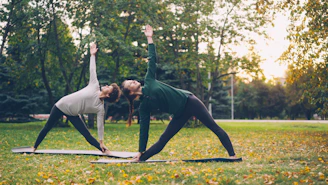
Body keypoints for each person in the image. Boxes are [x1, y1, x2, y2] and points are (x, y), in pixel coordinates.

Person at [121, 25, 237, 161]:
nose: (134, 81)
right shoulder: (144, 107)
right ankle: (141, 158)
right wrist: (141, 151)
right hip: (180, 114)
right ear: (130, 92)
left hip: (189, 101)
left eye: (132, 80)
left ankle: (233, 156)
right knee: (163, 140)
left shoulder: (149, 80)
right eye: (130, 83)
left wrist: (150, 39)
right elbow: (144, 130)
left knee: (213, 127)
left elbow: (152, 60)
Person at [33, 43, 121, 154]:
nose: (107, 85)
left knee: (87, 135)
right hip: (61, 105)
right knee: (47, 127)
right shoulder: (94, 85)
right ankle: (34, 147)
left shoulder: (100, 108)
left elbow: (100, 125)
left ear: (108, 95)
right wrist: (92, 55)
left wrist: (101, 141)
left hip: (72, 114)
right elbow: (92, 70)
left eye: (109, 88)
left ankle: (104, 150)